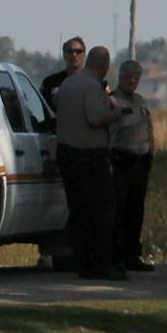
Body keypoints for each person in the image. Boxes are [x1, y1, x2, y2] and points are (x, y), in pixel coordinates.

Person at [53, 44, 126, 280]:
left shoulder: (68, 83)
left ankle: (81, 261)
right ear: (104, 65)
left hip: (66, 154)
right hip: (89, 157)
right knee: (103, 211)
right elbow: (95, 118)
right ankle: (100, 263)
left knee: (79, 211)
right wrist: (115, 111)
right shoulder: (92, 87)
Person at [108, 59, 156, 271]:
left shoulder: (140, 101)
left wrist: (151, 152)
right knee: (119, 211)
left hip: (141, 160)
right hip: (120, 160)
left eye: (136, 77)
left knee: (136, 210)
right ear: (120, 77)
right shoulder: (112, 101)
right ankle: (116, 256)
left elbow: (149, 128)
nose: (132, 81)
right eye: (128, 76)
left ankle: (132, 255)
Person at [41, 36, 87, 108]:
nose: (74, 55)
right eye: (70, 52)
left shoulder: (94, 82)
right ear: (64, 55)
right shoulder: (50, 82)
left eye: (78, 51)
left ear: (84, 54)